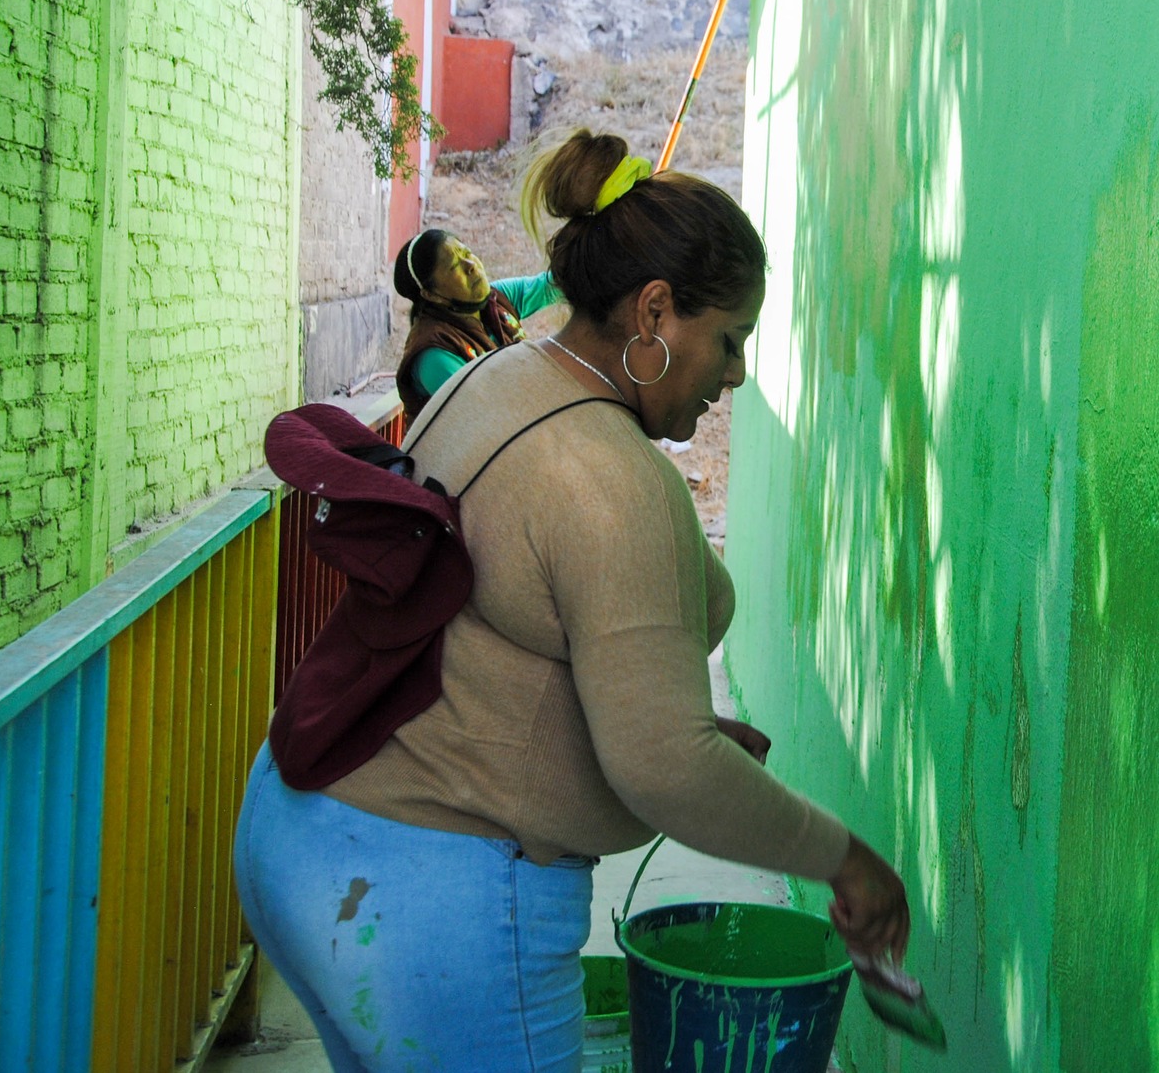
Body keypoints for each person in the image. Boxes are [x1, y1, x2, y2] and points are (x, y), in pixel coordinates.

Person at [234, 130, 912, 1072]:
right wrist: (849, 861)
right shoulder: (613, 479)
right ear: (657, 311)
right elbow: (665, 769)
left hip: (307, 837)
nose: (736, 375)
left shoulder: (492, 376)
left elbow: (488, 622)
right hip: (429, 894)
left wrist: (669, 708)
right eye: (730, 338)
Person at [391, 227, 562, 419]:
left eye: (467, 253)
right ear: (431, 295)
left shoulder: (496, 299)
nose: (470, 265)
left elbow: (555, 286)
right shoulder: (434, 353)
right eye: (454, 266)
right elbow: (484, 417)